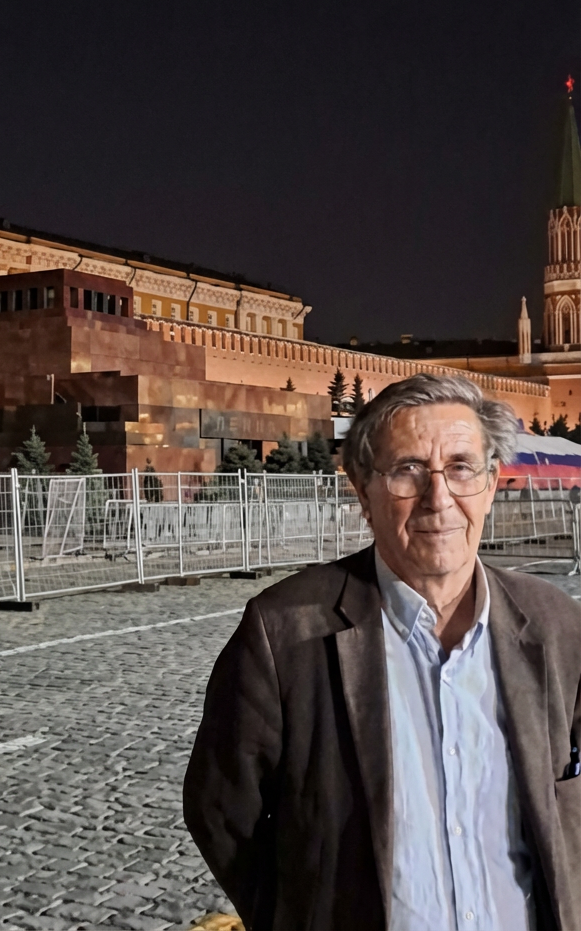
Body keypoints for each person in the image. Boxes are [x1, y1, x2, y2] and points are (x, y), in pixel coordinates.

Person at [184, 373, 581, 931]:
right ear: (363, 490)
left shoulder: (555, 624)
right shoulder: (285, 632)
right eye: (408, 470)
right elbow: (222, 810)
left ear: (491, 484)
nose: (438, 498)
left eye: (461, 468)